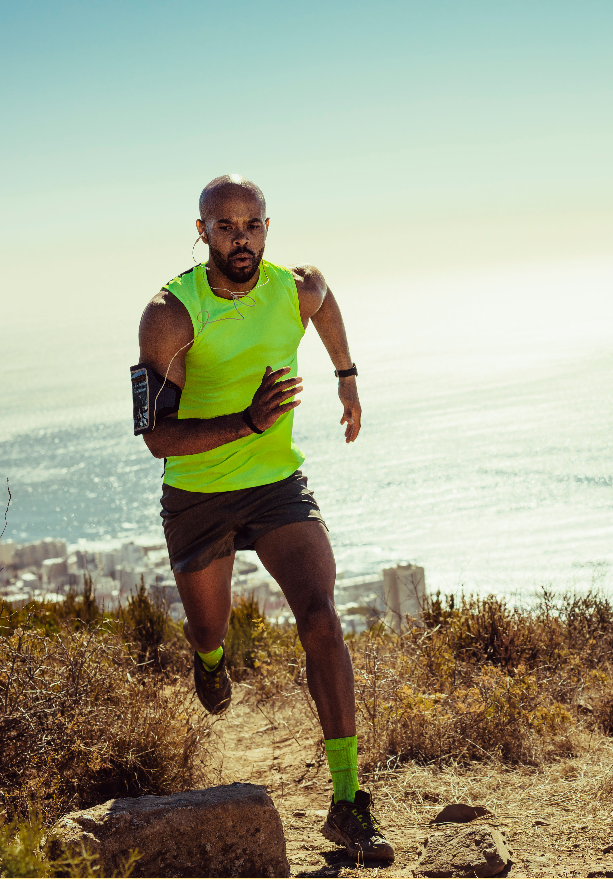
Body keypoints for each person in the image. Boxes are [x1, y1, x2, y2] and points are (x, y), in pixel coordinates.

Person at [134, 174, 392, 862]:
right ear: (202, 232)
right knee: (208, 627)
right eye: (224, 226)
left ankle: (348, 800)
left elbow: (326, 301)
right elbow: (156, 437)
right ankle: (211, 659)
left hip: (277, 483)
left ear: (267, 228)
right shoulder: (170, 314)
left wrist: (346, 373)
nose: (239, 237)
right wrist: (246, 420)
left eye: (251, 225)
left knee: (321, 614)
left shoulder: (294, 286)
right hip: (198, 492)